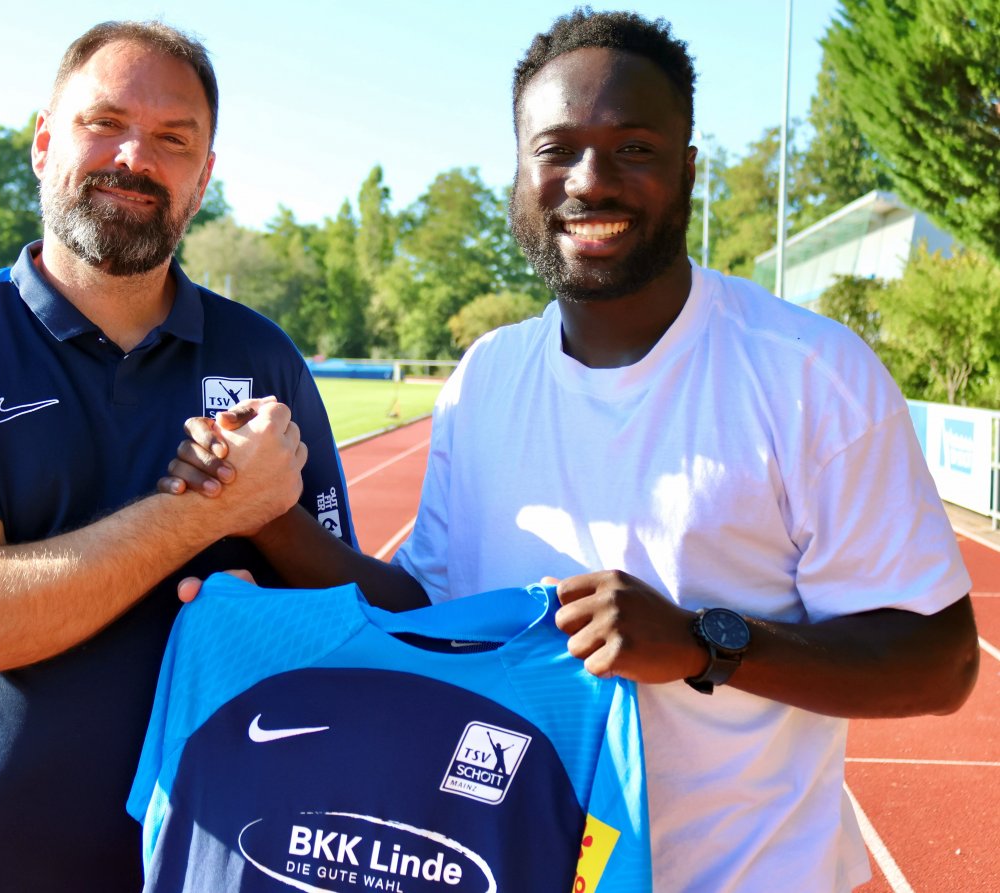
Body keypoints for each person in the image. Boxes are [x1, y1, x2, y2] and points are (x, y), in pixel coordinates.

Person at [164, 9, 980, 891]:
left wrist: (705, 643)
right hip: (511, 865)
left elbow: (941, 662)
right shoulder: (485, 378)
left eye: (635, 148)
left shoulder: (812, 374)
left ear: (689, 172)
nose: (592, 181)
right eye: (557, 149)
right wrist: (274, 522)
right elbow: (427, 606)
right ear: (520, 175)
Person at [0, 20, 357, 893]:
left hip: (210, 864)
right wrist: (205, 511)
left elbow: (366, 608)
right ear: (45, 142)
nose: (135, 155)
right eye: (104, 122)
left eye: (174, 139)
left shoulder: (263, 357)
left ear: (203, 178)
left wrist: (270, 519)